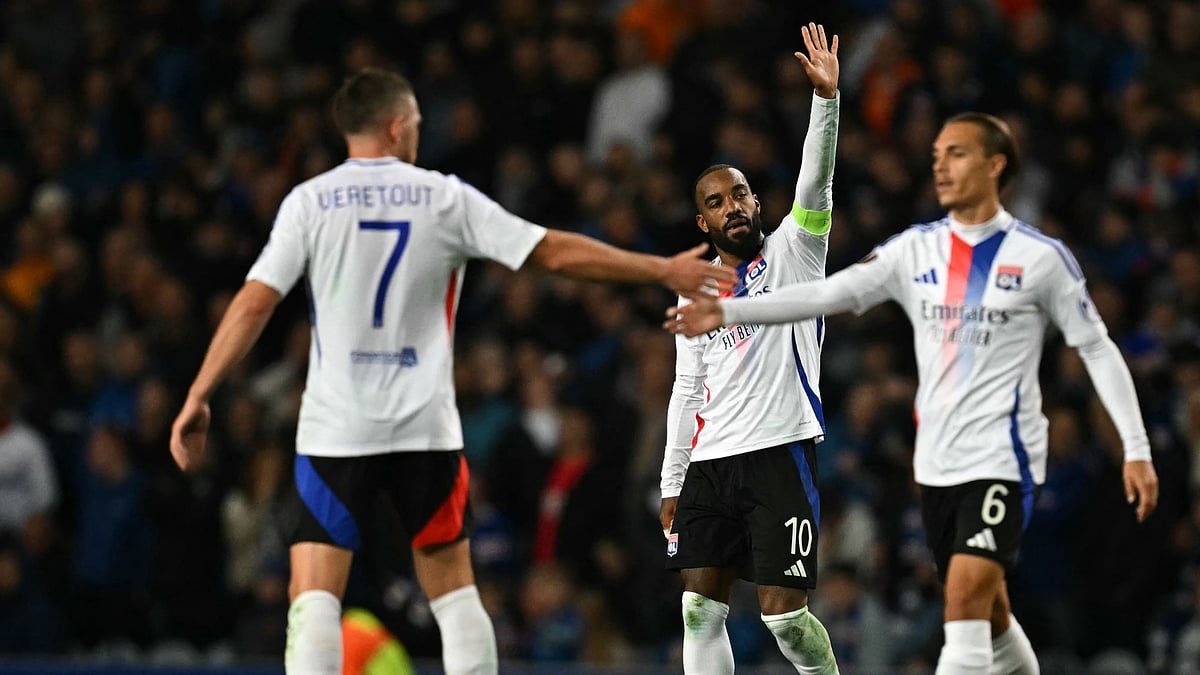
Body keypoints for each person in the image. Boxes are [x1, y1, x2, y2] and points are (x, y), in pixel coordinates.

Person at [168, 67, 734, 675]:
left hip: (336, 428)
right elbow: (552, 252)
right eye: (414, 122)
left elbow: (255, 301)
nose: (419, 131)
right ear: (395, 126)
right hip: (425, 430)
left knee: (313, 596)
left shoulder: (309, 202)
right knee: (455, 593)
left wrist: (200, 393)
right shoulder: (443, 197)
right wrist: (659, 270)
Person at [665, 111, 1161, 674]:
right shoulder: (916, 250)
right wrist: (673, 470)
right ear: (701, 220)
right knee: (988, 611)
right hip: (933, 461)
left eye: (956, 153)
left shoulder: (1039, 258)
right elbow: (834, 295)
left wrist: (1137, 446)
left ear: (998, 166)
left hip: (1000, 452)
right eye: (937, 155)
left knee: (961, 605)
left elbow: (1096, 347)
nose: (939, 166)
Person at [659, 23, 841, 674]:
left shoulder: (798, 249)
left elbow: (816, 182)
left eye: (739, 193)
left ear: (756, 200)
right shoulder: (694, 291)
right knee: (698, 609)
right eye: (716, 202)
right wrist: (672, 478)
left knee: (786, 620)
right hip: (710, 463)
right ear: (702, 223)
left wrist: (827, 101)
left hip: (779, 448)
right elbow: (686, 390)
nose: (732, 206)